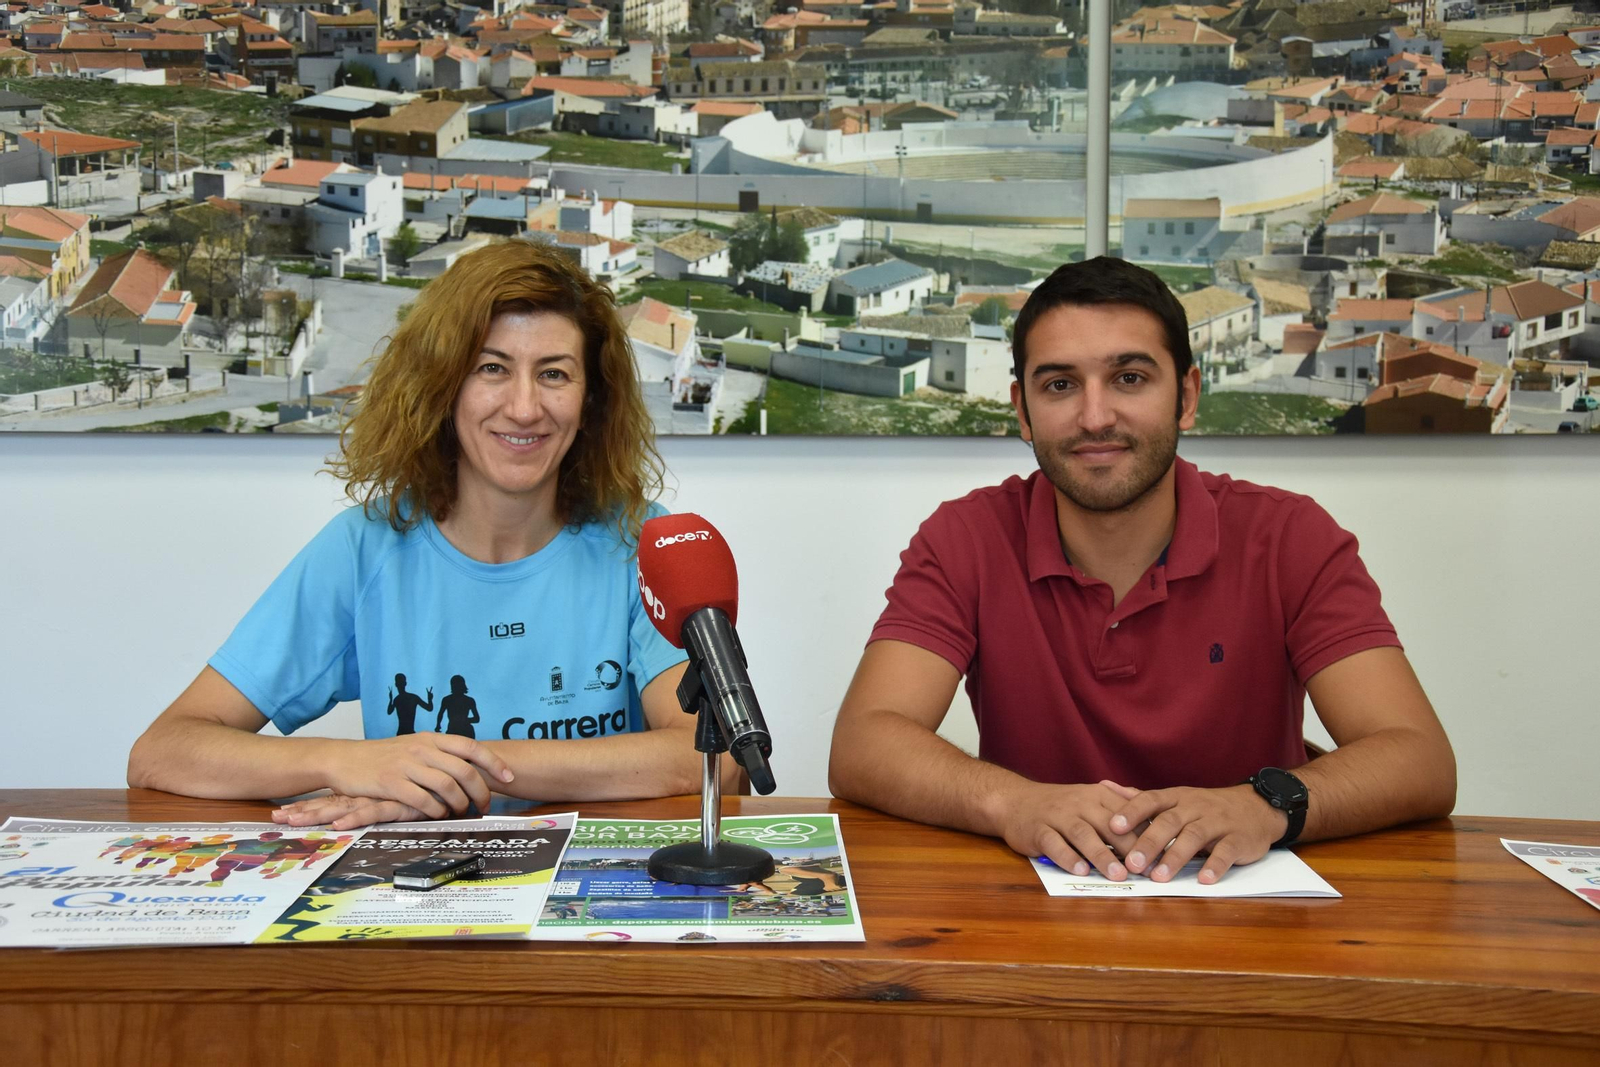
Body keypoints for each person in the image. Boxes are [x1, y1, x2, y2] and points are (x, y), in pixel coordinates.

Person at [828, 257, 1456, 885]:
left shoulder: (1290, 536)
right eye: (1059, 385)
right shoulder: (965, 537)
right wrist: (1013, 802)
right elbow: (864, 743)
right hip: (1033, 911)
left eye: (1129, 378)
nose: (1095, 417)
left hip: (1250, 908)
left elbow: (1419, 758)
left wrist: (1264, 806)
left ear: (1187, 396)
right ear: (1022, 411)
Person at [128, 240, 715, 828]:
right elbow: (163, 751)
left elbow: (707, 757)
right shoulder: (363, 548)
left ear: (590, 401)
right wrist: (348, 762)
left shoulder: (642, 542)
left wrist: (453, 770)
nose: (524, 407)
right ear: (443, 385)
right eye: (492, 368)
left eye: (554, 374)